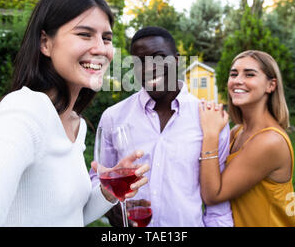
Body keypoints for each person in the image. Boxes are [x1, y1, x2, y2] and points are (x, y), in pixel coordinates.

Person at [0, 0, 148, 227]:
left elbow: (68, 216)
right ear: (45, 43)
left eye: (106, 38)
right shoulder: (26, 110)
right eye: (84, 34)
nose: (101, 49)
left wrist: (108, 192)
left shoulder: (75, 123)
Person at [90, 26, 233, 227]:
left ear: (176, 60)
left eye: (158, 57)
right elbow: (99, 178)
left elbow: (218, 208)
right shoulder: (113, 118)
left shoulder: (210, 120)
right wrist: (111, 205)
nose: (149, 67)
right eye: (140, 61)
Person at [198, 50, 295, 227]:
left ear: (271, 85)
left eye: (249, 74)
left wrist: (211, 134)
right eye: (234, 74)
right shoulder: (238, 131)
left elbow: (213, 195)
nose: (238, 80)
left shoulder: (269, 141)